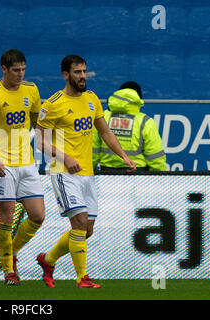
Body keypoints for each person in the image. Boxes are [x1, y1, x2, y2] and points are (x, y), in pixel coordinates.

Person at [35, 55, 136, 288]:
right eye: (77, 72)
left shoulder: (92, 99)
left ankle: (48, 260)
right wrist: (65, 157)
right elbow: (39, 140)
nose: (82, 76)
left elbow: (106, 133)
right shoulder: (52, 104)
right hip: (63, 171)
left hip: (87, 173)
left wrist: (123, 156)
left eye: (84, 72)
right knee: (79, 222)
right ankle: (82, 278)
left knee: (87, 230)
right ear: (65, 75)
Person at [0, 49, 45, 286]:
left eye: (23, 69)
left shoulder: (31, 89)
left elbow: (38, 122)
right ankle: (9, 273)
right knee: (6, 219)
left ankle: (9, 252)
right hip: (3, 164)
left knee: (38, 216)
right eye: (16, 70)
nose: (20, 74)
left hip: (27, 163)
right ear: (3, 69)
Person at [93, 81, 166, 172]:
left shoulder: (102, 117)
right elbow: (155, 156)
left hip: (107, 174)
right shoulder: (145, 121)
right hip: (137, 174)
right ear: (137, 99)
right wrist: (159, 177)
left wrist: (90, 170)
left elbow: (93, 150)